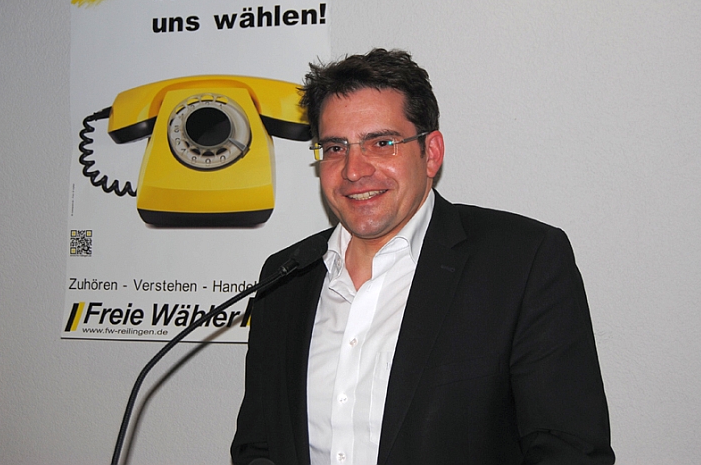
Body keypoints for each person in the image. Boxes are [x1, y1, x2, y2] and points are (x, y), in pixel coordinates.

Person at [231, 48, 615, 465]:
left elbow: (568, 450)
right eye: (336, 148)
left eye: (382, 143)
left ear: (430, 153)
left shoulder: (523, 263)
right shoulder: (286, 276)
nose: (354, 170)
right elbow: (259, 444)